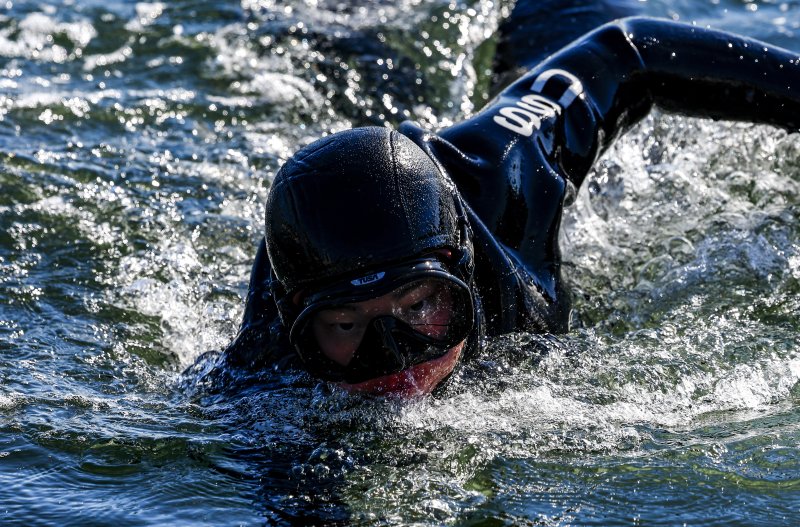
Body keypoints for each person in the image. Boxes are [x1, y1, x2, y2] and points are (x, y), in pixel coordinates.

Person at [191, 7, 800, 398]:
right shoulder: (268, 354)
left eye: (422, 304)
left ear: (460, 272)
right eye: (346, 325)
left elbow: (628, 50)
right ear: (302, 318)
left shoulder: (507, 172)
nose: (396, 361)